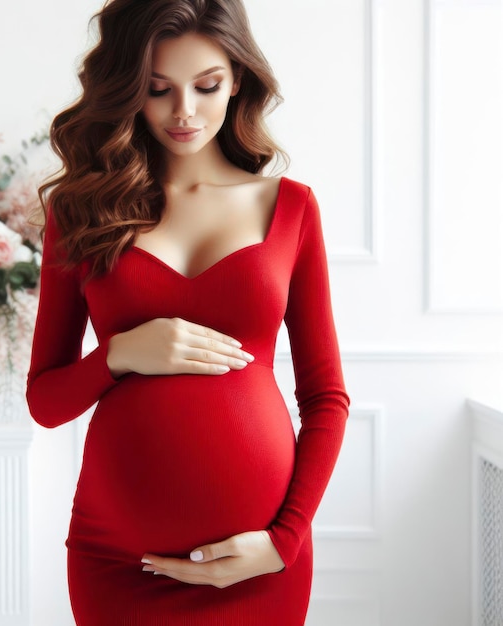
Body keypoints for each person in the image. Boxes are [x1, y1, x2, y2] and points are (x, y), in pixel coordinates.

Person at [26, 0, 350, 623]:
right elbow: (46, 402)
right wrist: (120, 355)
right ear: (128, 90)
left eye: (207, 86)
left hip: (258, 564)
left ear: (238, 84)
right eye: (158, 89)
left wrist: (283, 543)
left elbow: (327, 397)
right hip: (120, 563)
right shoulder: (80, 213)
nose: (184, 112)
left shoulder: (292, 209)